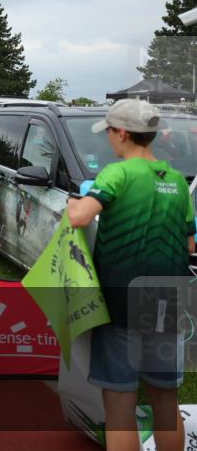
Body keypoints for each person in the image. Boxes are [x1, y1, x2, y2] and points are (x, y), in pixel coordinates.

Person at [67, 99, 194, 451]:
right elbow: (191, 245)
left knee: (120, 402)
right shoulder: (178, 182)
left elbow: (80, 217)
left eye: (109, 131)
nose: (108, 138)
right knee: (164, 400)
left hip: (121, 299)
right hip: (167, 300)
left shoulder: (117, 173)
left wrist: (75, 203)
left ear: (122, 132)